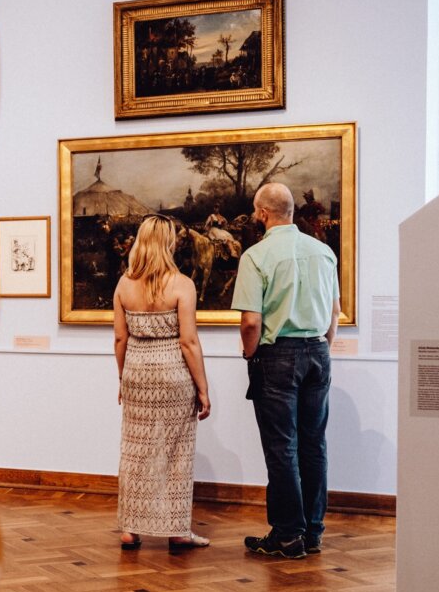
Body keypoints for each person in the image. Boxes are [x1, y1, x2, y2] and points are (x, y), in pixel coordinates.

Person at [232, 183, 341, 560]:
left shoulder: (257, 256)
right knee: (314, 445)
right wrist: (322, 345)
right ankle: (312, 532)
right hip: (318, 351)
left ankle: (287, 535)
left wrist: (251, 356)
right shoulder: (323, 252)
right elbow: (333, 313)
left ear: (262, 214)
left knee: (282, 447)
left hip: (278, 354)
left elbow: (250, 322)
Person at [113, 214, 211, 552]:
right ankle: (177, 532)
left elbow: (119, 339)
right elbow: (189, 343)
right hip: (173, 373)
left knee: (136, 450)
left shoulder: (125, 284)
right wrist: (203, 388)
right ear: (167, 243)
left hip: (137, 372)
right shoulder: (182, 284)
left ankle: (130, 530)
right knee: (175, 453)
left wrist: (123, 378)